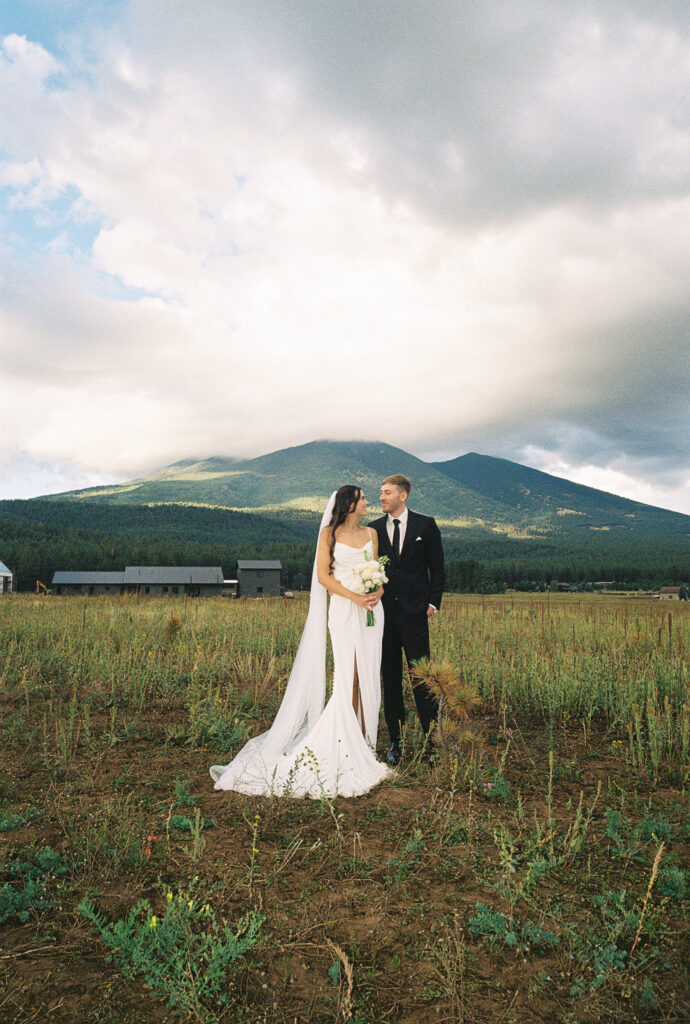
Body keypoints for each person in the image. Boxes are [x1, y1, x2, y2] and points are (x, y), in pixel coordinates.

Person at [210, 486, 390, 797]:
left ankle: (364, 741)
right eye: (362, 498)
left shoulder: (373, 533)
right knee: (349, 676)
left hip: (373, 611)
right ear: (349, 504)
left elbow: (379, 570)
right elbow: (323, 576)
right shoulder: (328, 535)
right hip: (345, 609)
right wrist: (355, 598)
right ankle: (344, 745)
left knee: (369, 674)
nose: (368, 503)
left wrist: (378, 592)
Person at [370, 474, 445, 765]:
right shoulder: (374, 529)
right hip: (384, 618)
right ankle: (396, 744)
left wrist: (432, 603)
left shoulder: (425, 525)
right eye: (380, 493)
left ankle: (432, 745)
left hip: (415, 617)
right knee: (390, 679)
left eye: (387, 492)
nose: (381, 497)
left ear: (403, 495)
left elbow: (437, 568)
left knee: (422, 680)